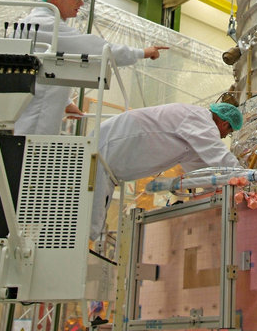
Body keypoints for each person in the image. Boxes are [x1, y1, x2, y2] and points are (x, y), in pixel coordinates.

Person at [14, 0, 167, 135]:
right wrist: (143, 52)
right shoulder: (44, 24)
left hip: (36, 114)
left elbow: (44, 71)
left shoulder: (43, 23)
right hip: (31, 123)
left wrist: (65, 102)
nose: (81, 3)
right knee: (24, 155)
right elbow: (98, 49)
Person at [90, 102, 244, 240]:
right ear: (224, 124)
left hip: (110, 164)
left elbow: (200, 171)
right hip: (106, 149)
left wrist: (218, 190)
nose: (224, 137)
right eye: (227, 133)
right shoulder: (200, 119)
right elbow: (218, 153)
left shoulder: (195, 133)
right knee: (86, 224)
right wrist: (245, 177)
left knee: (91, 222)